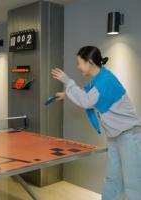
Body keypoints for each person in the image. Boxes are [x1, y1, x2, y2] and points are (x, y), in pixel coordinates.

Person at [51, 46, 141, 200]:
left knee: (133, 182)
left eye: (80, 63)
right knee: (113, 179)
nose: (78, 66)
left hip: (129, 135)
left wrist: (67, 80)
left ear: (90, 62)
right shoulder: (98, 80)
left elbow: (86, 101)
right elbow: (87, 94)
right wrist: (66, 94)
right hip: (115, 137)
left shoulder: (105, 80)